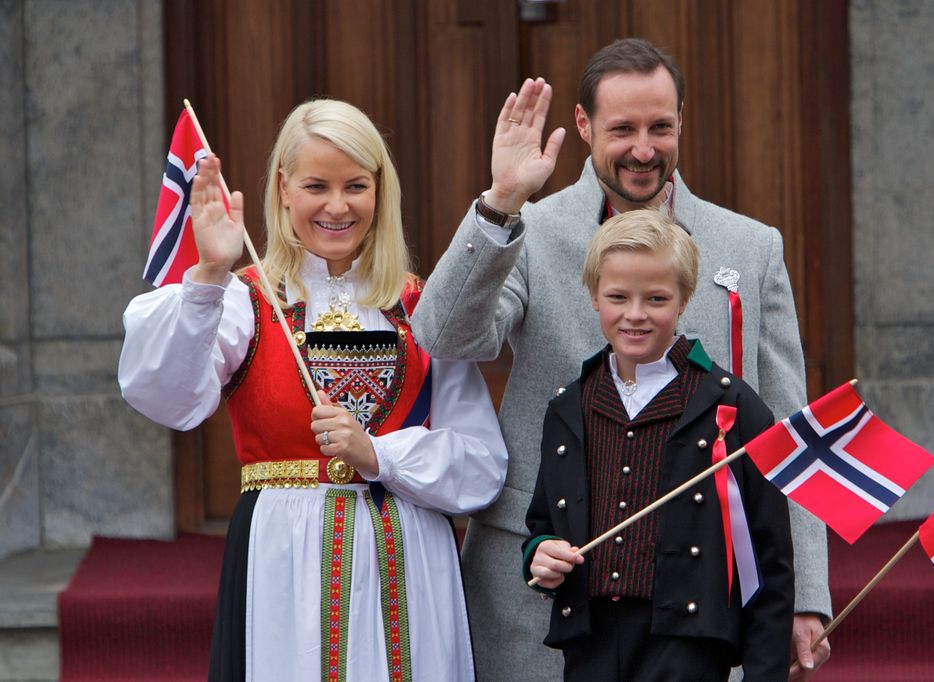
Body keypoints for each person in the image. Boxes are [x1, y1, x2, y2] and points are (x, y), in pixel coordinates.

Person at [411, 37, 831, 681]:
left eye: (661, 127)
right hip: (542, 583)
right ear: (582, 125)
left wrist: (804, 595)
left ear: (682, 121)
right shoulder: (530, 229)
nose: (644, 149)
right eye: (623, 129)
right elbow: (444, 336)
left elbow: (789, 432)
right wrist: (500, 202)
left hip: (696, 602)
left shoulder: (751, 248)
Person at [118, 99, 508, 681]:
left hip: (408, 558)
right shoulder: (244, 300)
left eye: (356, 185)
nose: (336, 205)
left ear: (380, 191)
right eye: (316, 185)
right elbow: (166, 397)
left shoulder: (420, 306)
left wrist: (379, 455)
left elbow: (481, 464)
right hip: (285, 561)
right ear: (282, 188)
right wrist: (206, 277)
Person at [525, 209, 794, 680]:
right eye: (617, 297)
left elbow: (768, 559)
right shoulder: (569, 406)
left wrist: (764, 672)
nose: (635, 314)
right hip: (590, 643)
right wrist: (541, 552)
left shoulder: (731, 406)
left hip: (688, 645)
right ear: (593, 297)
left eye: (656, 298)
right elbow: (543, 522)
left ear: (685, 299)